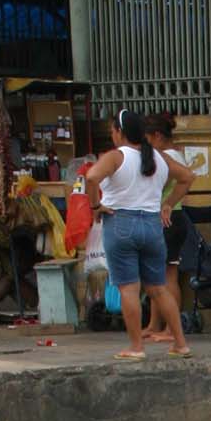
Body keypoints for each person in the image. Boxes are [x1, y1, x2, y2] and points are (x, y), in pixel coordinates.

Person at [85, 109, 195, 360]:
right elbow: (188, 177)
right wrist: (168, 203)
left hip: (120, 222)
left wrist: (95, 206)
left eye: (113, 130)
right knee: (159, 288)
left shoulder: (116, 157)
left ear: (120, 133)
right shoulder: (158, 158)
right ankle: (180, 343)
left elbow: (91, 177)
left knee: (129, 289)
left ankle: (136, 347)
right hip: (152, 225)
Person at [142, 112, 193, 342]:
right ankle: (154, 324)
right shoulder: (168, 155)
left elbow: (185, 180)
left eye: (147, 139)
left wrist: (167, 204)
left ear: (157, 136)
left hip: (169, 220)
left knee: (167, 276)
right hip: (166, 220)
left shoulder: (166, 157)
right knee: (157, 276)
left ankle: (172, 330)